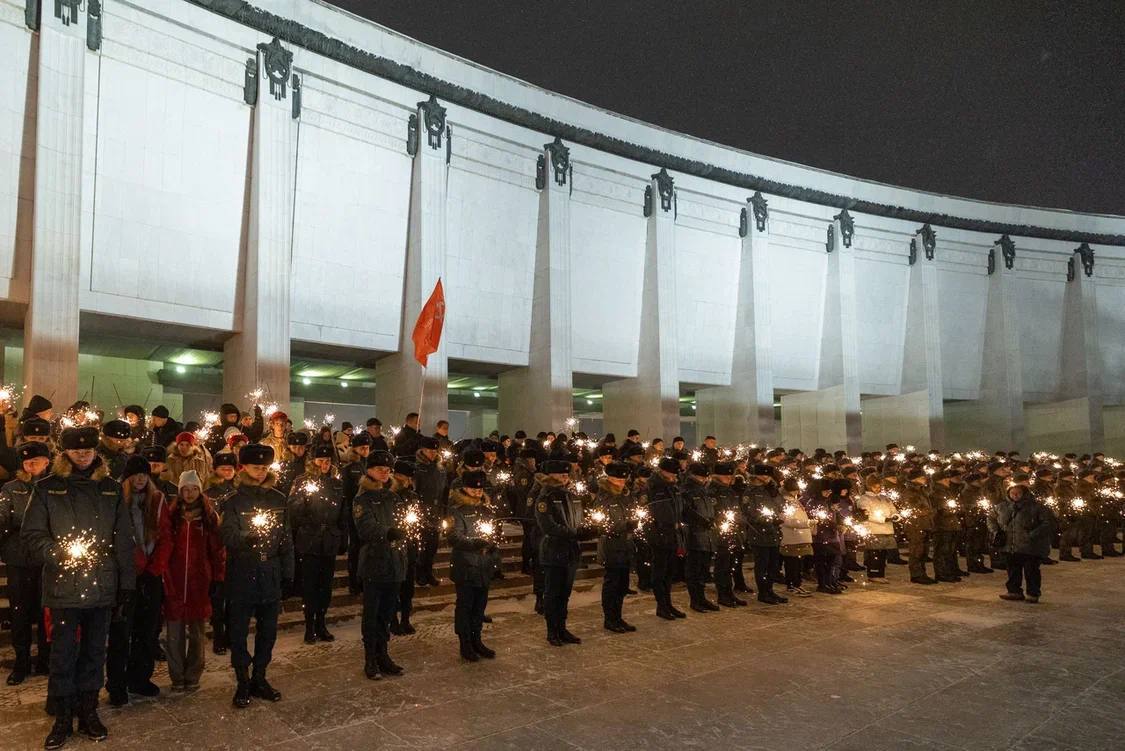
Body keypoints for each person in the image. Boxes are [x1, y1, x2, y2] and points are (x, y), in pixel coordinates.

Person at [22, 426, 136, 749]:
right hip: (63, 585)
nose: (83, 455)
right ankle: (62, 716)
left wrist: (126, 584)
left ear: (96, 451)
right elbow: (32, 535)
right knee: (62, 653)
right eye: (76, 450)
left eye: (88, 450)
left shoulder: (111, 489)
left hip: (101, 585)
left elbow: (123, 541)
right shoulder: (47, 488)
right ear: (65, 452)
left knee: (93, 652)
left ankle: (88, 710)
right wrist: (56, 553)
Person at [220, 443, 293, 708]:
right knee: (238, 633)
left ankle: (260, 677)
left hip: (270, 573)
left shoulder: (278, 498)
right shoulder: (233, 500)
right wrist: (245, 538)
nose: (260, 472)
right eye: (255, 467)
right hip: (243, 572)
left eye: (264, 468)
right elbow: (225, 534)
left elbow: (286, 538)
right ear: (243, 468)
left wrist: (288, 571)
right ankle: (242, 679)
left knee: (268, 632)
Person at [105, 455, 168, 706]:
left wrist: (155, 567)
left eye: (145, 474)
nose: (141, 479)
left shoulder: (157, 500)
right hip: (124, 576)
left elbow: (166, 537)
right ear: (128, 478)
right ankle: (117, 683)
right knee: (121, 633)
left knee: (146, 630)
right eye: (136, 475)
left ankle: (140, 678)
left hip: (150, 576)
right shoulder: (117, 501)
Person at [157, 470, 225, 692]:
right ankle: (177, 676)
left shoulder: (208, 516)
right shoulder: (172, 515)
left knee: (197, 633)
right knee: (174, 633)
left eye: (193, 489)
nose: (189, 493)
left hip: (199, 582)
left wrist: (217, 576)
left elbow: (217, 549)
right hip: (175, 581)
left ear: (200, 490)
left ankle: (193, 674)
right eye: (185, 489)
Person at [0, 442, 53, 685]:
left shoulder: (54, 487)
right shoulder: (11, 489)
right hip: (18, 559)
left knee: (45, 611)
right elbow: (4, 519)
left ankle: (45, 658)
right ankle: (21, 662)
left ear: (47, 462)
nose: (31, 465)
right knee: (19, 613)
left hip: (45, 560)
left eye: (36, 461)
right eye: (27, 462)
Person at [352, 450, 406, 680]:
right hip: (375, 561)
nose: (384, 473)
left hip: (395, 562)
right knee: (372, 614)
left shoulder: (393, 497)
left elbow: (405, 521)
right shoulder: (362, 500)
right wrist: (388, 532)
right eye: (379, 469)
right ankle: (370, 659)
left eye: (387, 469)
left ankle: (384, 654)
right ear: (369, 471)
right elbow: (365, 529)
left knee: (387, 613)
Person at [287, 444, 346, 644]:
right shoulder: (302, 481)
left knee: (325, 586)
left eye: (328, 461)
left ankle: (322, 623)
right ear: (313, 461)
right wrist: (306, 512)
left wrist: (340, 534)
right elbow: (293, 511)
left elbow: (342, 511)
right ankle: (309, 625)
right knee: (310, 585)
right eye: (321, 461)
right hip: (310, 539)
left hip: (328, 540)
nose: (324, 464)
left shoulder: (336, 483)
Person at [535, 459, 594, 646]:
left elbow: (579, 520)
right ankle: (552, 630)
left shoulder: (571, 495)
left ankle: (562, 627)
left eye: (567, 474)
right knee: (553, 594)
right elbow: (549, 527)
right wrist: (576, 533)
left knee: (565, 594)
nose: (565, 477)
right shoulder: (545, 497)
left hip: (570, 551)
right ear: (550, 475)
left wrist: (588, 529)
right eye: (561, 474)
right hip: (554, 551)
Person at [446, 469, 501, 660]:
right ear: (464, 488)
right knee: (465, 606)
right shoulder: (456, 510)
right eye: (473, 488)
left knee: (480, 606)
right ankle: (465, 643)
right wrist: (474, 544)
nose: (478, 492)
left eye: (480, 489)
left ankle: (477, 639)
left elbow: (494, 533)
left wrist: (493, 549)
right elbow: (453, 537)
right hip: (466, 566)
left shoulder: (486, 509)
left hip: (484, 565)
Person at [988, 476, 1052, 603]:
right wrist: (996, 531)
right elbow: (991, 518)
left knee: (1031, 571)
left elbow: (1047, 522)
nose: (1015, 495)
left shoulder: (1036, 507)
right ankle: (1014, 591)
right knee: (1013, 570)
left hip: (1030, 546)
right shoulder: (1002, 506)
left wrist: (1033, 534)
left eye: (1018, 493)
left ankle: (1033, 593)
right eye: (1012, 493)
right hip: (1009, 545)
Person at [593, 462, 639, 632]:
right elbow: (601, 525)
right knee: (612, 584)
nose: (621, 483)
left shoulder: (625, 496)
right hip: (611, 545)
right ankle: (610, 619)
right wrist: (625, 525)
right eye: (617, 480)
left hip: (625, 545)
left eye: (623, 480)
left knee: (622, 584)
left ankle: (618, 617)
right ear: (609, 478)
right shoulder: (603, 497)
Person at [647, 457, 687, 620]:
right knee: (660, 572)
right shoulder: (657, 487)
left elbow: (680, 508)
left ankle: (668, 604)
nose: (674, 477)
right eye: (672, 474)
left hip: (673, 535)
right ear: (664, 472)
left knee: (669, 572)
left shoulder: (672, 486)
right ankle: (661, 606)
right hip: (660, 535)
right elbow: (661, 513)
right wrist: (673, 524)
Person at [745, 465, 787, 604]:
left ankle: (770, 590)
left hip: (774, 532)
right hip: (759, 533)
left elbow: (781, 505)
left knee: (773, 565)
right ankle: (763, 592)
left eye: (768, 476)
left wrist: (780, 514)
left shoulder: (772, 490)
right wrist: (767, 520)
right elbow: (749, 513)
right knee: (762, 564)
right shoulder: (750, 491)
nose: (766, 479)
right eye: (763, 476)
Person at [681, 462, 719, 612]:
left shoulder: (704, 490)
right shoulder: (687, 490)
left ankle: (702, 598)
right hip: (694, 535)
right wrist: (701, 521)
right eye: (700, 476)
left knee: (703, 569)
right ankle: (695, 600)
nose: (703, 479)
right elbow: (686, 511)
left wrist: (713, 519)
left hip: (707, 534)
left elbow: (710, 509)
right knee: (694, 570)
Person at [389, 459, 421, 635]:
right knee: (394, 586)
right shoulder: (389, 494)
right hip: (394, 547)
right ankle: (392, 619)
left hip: (410, 547)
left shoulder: (413, 496)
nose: (407, 481)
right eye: (404, 477)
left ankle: (406, 618)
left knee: (408, 588)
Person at [413, 436, 447, 587]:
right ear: (422, 450)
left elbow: (443, 491)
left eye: (434, 451)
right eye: (429, 451)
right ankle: (419, 572)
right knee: (422, 545)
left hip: (436, 512)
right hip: (421, 511)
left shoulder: (441, 469)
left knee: (433, 545)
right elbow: (415, 491)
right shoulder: (417, 468)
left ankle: (428, 571)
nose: (432, 453)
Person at [854, 474, 897, 583]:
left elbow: (893, 509)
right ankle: (874, 573)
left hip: (886, 529)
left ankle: (880, 573)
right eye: (875, 487)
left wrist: (895, 516)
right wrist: (882, 519)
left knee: (882, 553)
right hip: (874, 529)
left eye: (879, 487)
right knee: (874, 553)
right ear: (869, 487)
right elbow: (866, 515)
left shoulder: (884, 498)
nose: (877, 489)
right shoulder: (865, 499)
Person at [778, 478, 814, 597]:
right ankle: (792, 585)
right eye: (793, 491)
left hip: (800, 536)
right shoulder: (784, 502)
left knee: (798, 562)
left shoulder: (795, 501)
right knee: (791, 563)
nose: (796, 493)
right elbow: (787, 521)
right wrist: (806, 524)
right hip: (791, 537)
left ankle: (797, 584)